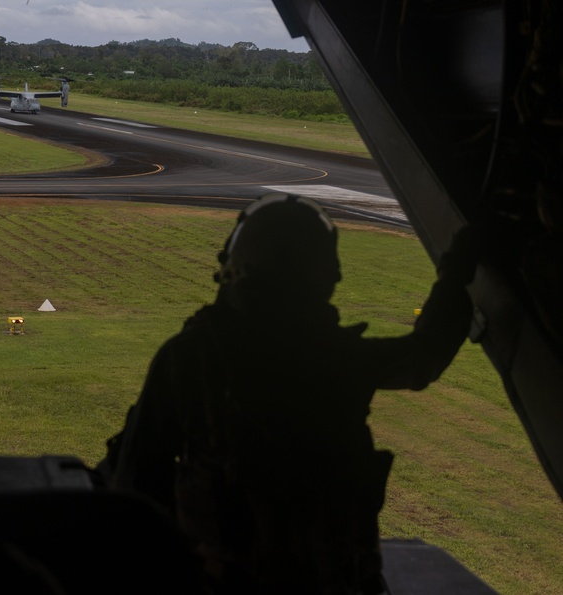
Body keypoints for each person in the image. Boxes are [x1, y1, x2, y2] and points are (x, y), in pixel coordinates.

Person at [106, 193, 478, 594]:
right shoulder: (339, 358)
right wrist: (455, 273)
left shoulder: (189, 358)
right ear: (323, 276)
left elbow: (134, 477)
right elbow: (424, 356)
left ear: (235, 268)